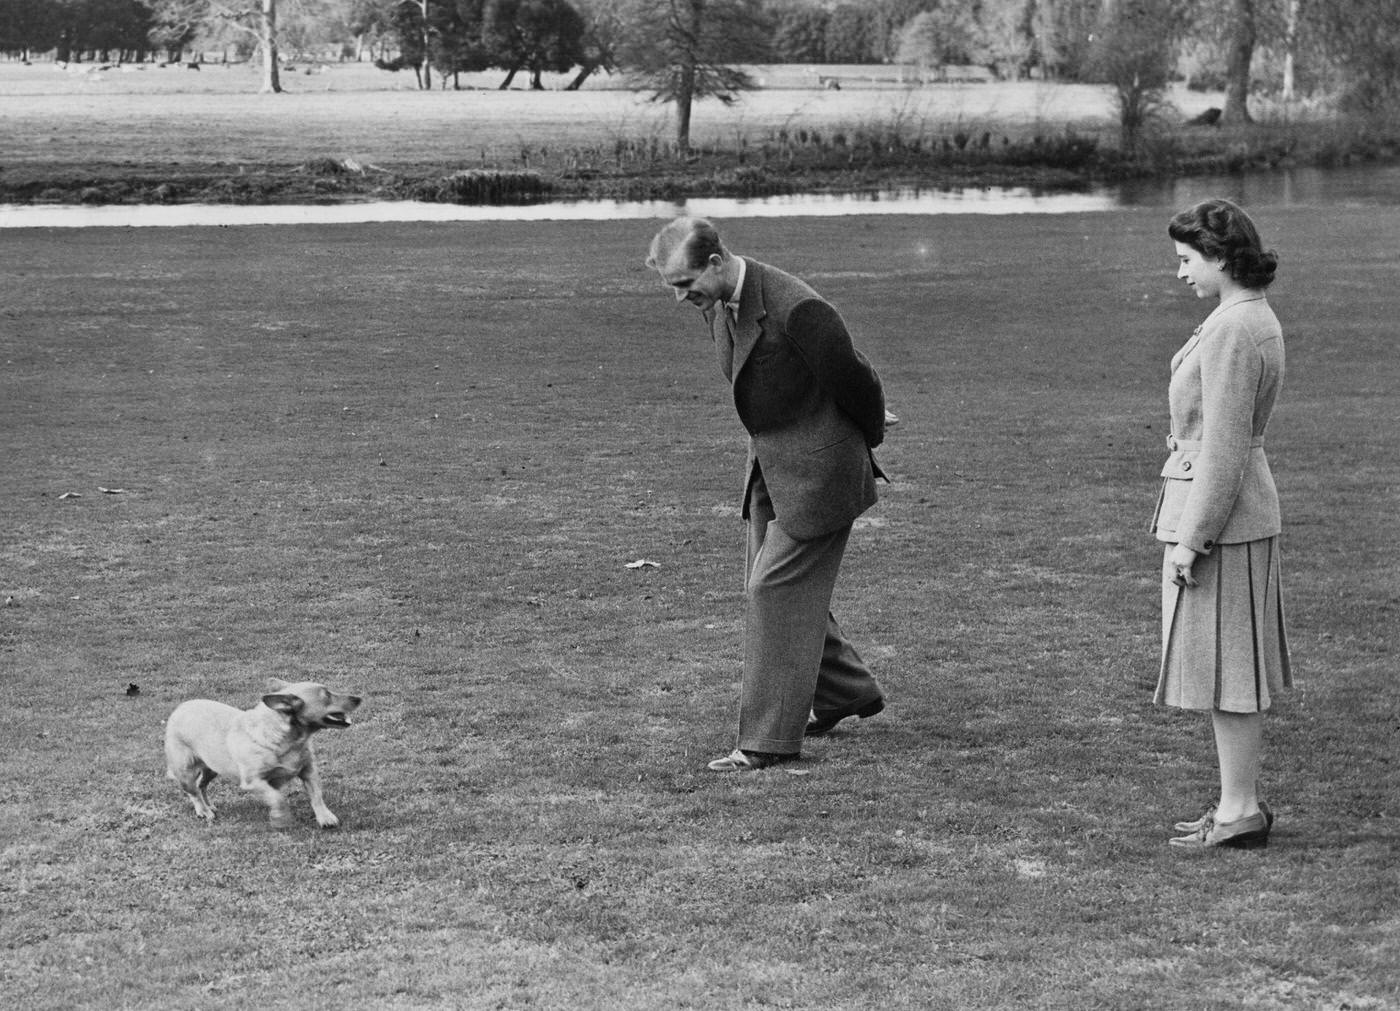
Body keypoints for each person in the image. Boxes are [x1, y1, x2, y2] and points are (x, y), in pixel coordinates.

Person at [644, 216, 889, 772]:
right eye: (672, 288)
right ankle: (846, 691)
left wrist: (867, 431)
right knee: (773, 584)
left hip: (821, 473)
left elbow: (853, 375)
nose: (682, 298)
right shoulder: (722, 304)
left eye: (686, 284)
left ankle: (764, 742)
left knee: (773, 590)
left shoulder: (796, 306)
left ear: (715, 261)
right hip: (772, 465)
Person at [1151, 198, 1291, 850]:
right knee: (1221, 669)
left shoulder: (1237, 326)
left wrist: (1190, 539)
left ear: (1221, 256)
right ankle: (1236, 804)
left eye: (1187, 259)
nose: (1180, 272)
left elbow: (1224, 449)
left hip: (1225, 522)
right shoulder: (1234, 317)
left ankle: (1240, 810)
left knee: (1230, 671)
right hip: (1225, 515)